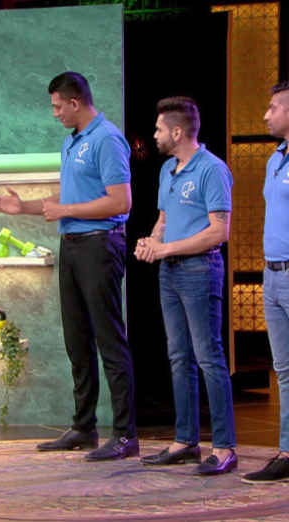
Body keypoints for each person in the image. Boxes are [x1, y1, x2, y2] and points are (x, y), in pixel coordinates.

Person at [0, 72, 138, 461]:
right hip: (70, 247)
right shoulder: (71, 141)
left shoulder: (107, 139)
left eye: (57, 106)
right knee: (77, 341)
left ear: (75, 102)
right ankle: (84, 427)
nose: (55, 113)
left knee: (109, 340)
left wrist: (66, 209)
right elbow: (67, 197)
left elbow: (120, 202)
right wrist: (24, 207)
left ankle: (125, 435)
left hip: (99, 246)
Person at [135, 97, 236, 476]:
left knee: (209, 357)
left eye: (159, 129)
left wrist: (166, 248)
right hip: (170, 272)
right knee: (179, 357)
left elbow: (219, 231)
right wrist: (151, 241)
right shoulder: (167, 169)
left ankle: (224, 447)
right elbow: (163, 220)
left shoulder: (212, 169)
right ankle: (185, 441)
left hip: (199, 270)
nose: (154, 134)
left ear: (177, 132)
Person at [242, 81, 289, 484]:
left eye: (274, 107)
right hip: (272, 276)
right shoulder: (275, 158)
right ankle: (288, 452)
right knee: (284, 371)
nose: (266, 114)